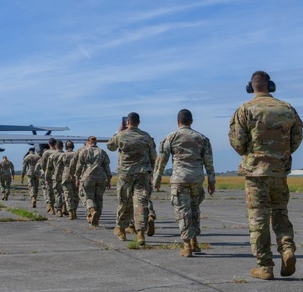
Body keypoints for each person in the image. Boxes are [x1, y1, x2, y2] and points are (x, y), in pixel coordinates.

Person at [229, 71, 303, 280]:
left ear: (251, 87)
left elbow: (237, 142)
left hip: (255, 173)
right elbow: (296, 138)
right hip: (279, 172)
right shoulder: (287, 108)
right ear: (271, 86)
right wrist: (281, 154)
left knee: (258, 218)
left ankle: (265, 266)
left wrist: (250, 153)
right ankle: (287, 248)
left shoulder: (245, 109)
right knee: (280, 212)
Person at [154, 109, 216, 258]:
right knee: (195, 209)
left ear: (178, 122)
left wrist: (157, 178)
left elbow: (161, 160)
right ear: (191, 122)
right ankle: (194, 241)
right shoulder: (202, 138)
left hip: (179, 179)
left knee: (183, 211)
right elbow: (209, 163)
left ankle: (187, 245)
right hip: (196, 179)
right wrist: (212, 181)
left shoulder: (171, 137)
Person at [107, 112, 157, 246]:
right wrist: (152, 172)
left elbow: (110, 146)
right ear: (139, 122)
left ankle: (122, 230)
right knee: (140, 202)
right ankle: (140, 233)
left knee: (124, 201)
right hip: (142, 174)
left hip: (125, 175)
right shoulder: (146, 137)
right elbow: (153, 156)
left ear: (127, 122)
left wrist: (118, 131)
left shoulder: (121, 135)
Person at [76, 136, 111, 227]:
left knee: (89, 197)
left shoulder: (84, 151)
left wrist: (77, 178)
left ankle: (92, 210)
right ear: (96, 142)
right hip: (101, 178)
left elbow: (79, 166)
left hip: (88, 177)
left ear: (88, 141)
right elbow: (107, 167)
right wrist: (109, 180)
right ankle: (97, 219)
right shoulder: (102, 152)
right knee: (99, 199)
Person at [59, 140, 80, 220]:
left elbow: (58, 168)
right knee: (76, 195)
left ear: (65, 147)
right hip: (76, 176)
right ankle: (75, 210)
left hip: (66, 176)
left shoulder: (63, 155)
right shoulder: (77, 155)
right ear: (73, 147)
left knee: (68, 195)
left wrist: (57, 177)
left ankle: (71, 212)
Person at [39, 139, 59, 214]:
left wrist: (45, 173)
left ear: (48, 144)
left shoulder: (46, 153)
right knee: (59, 191)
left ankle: (51, 207)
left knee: (50, 191)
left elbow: (43, 164)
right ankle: (62, 208)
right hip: (58, 174)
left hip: (49, 174)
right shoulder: (59, 152)